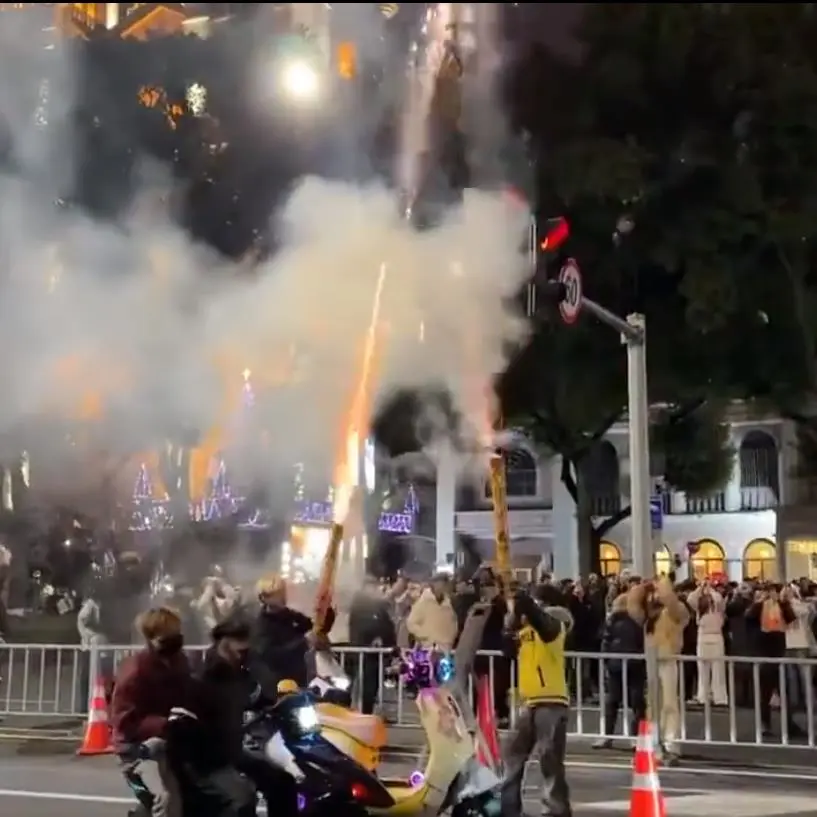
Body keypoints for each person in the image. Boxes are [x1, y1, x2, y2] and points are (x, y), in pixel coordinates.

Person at [197, 615, 298, 817]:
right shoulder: (206, 674)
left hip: (233, 751)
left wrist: (281, 700)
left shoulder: (239, 671)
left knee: (282, 781)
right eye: (240, 649)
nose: (245, 653)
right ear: (224, 643)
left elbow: (257, 694)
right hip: (209, 757)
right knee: (243, 797)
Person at [110, 607, 197, 817]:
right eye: (167, 636)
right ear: (151, 638)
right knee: (166, 800)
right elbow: (125, 721)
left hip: (171, 741)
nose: (175, 639)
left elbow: (191, 694)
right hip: (138, 749)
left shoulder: (180, 662)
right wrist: (165, 723)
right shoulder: (135, 671)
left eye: (176, 633)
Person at [501, 585, 573, 817]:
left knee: (549, 759)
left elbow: (542, 622)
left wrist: (525, 603)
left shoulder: (556, 627)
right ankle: (509, 807)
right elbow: (507, 649)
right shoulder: (526, 632)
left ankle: (556, 810)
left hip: (551, 701)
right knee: (512, 755)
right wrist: (511, 620)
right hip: (528, 701)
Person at [252, 573, 334, 688]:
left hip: (300, 680)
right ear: (263, 598)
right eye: (276, 594)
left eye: (282, 592)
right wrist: (304, 642)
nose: (282, 597)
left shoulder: (291, 616)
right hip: (276, 685)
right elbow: (271, 656)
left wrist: (326, 612)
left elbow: (315, 628)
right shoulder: (261, 625)